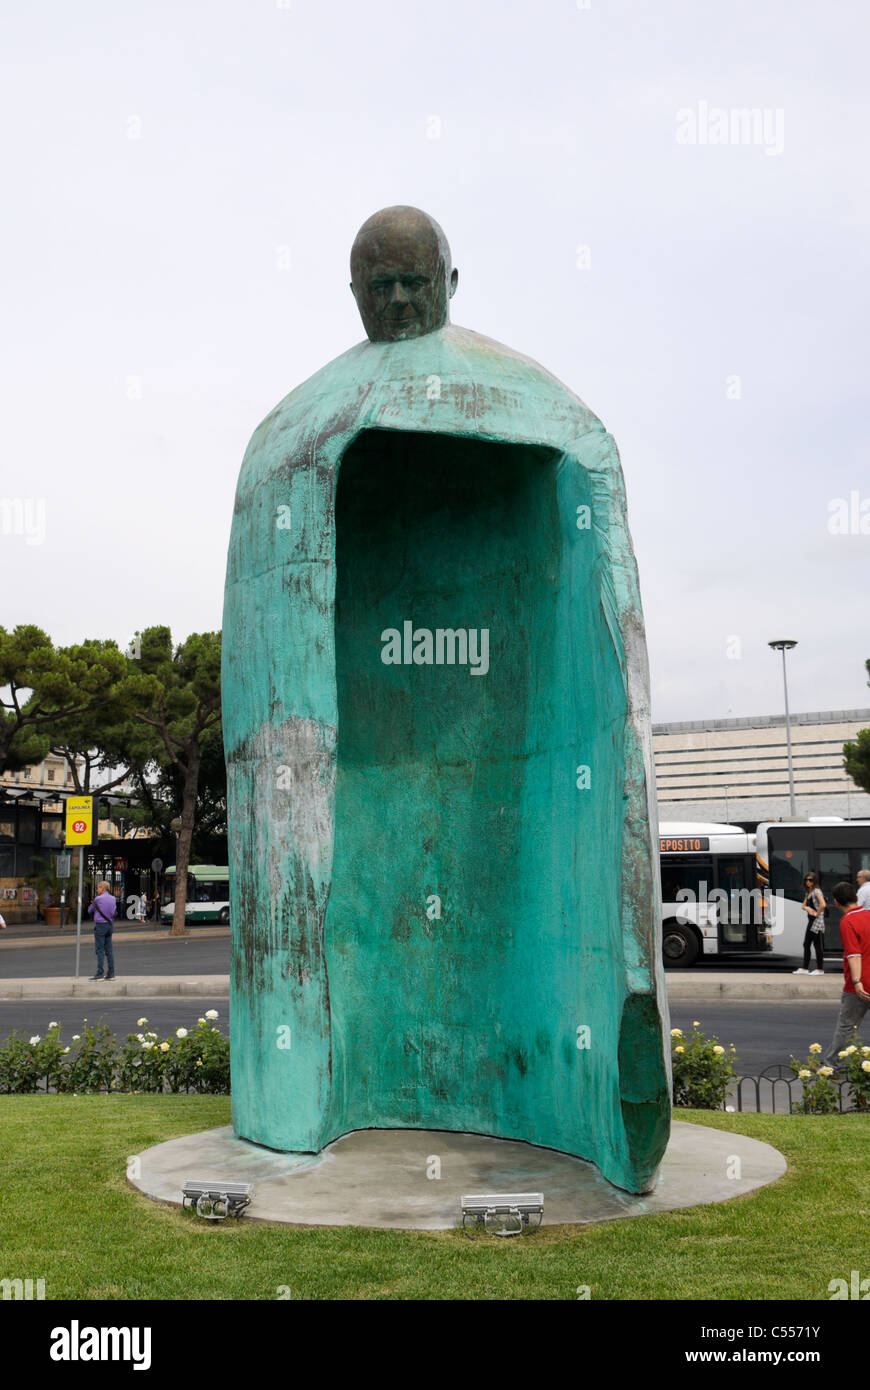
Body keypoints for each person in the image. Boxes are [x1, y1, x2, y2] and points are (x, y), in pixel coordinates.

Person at [823, 882, 870, 1066]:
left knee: (847, 1027)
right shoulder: (868, 915)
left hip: (858, 985)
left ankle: (832, 1066)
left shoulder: (847, 921)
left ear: (835, 902)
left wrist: (857, 981)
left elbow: (854, 954)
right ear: (857, 897)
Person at [793, 872, 826, 975]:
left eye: (810, 880)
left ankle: (820, 969)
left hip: (817, 922)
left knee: (817, 946)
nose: (808, 882)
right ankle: (805, 968)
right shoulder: (808, 892)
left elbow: (823, 904)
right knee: (806, 944)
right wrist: (808, 908)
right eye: (806, 880)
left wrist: (816, 913)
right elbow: (803, 906)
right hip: (811, 921)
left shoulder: (817, 891)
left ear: (814, 881)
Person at [87, 880, 117, 980]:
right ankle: (111, 973)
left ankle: (100, 973)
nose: (97, 889)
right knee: (109, 950)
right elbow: (113, 912)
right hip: (109, 925)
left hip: (100, 926)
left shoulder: (98, 899)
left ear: (103, 889)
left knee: (100, 950)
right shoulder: (113, 898)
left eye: (98, 887)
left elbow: (89, 910)